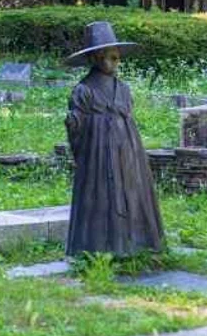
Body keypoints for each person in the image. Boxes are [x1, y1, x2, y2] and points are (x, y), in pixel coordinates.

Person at [64, 21, 165, 257]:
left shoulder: (124, 89)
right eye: (109, 57)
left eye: (117, 58)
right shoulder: (83, 90)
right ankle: (98, 248)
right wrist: (75, 124)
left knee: (132, 189)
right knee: (99, 195)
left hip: (128, 150)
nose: (115, 63)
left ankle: (137, 243)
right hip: (98, 153)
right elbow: (76, 127)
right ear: (95, 59)